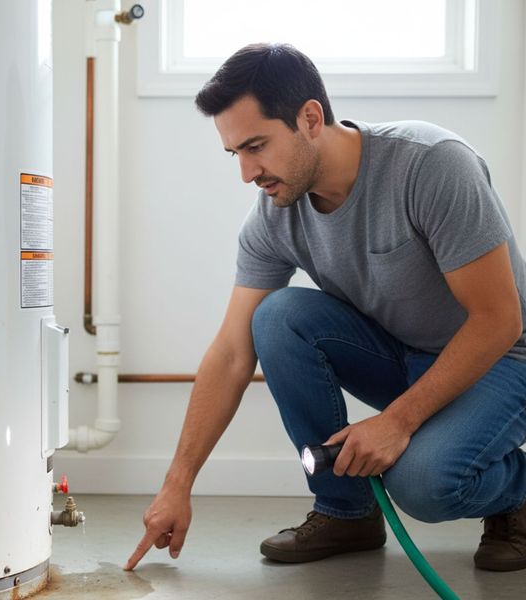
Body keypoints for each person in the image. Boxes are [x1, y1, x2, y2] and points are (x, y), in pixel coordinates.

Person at [125, 43, 526, 573]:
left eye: (256, 146)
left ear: (310, 118)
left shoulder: (431, 165)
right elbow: (230, 353)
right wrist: (177, 484)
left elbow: (500, 320)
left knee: (423, 485)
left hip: (502, 359)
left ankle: (517, 496)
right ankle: (346, 512)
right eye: (235, 155)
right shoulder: (273, 217)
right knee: (276, 317)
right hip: (406, 355)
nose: (248, 173)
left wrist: (397, 422)